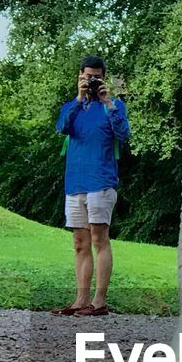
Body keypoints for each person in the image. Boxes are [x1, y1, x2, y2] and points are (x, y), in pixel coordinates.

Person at [51, 55, 130, 317]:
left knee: (99, 239)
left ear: (103, 78)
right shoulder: (71, 108)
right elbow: (62, 128)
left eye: (96, 77)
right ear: (80, 77)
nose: (92, 81)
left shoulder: (114, 106)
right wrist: (78, 98)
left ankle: (99, 301)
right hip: (75, 183)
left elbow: (123, 135)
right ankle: (80, 300)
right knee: (79, 243)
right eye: (88, 77)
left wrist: (108, 102)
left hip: (101, 182)